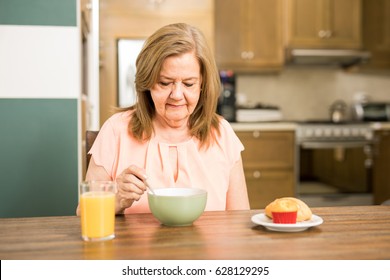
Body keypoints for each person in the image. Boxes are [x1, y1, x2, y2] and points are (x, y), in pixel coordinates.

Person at [77, 23, 249, 215]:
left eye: (189, 83)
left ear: (202, 85)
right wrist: (116, 198)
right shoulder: (116, 130)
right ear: (147, 83)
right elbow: (84, 213)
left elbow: (240, 219)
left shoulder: (222, 134)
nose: (177, 94)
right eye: (165, 83)